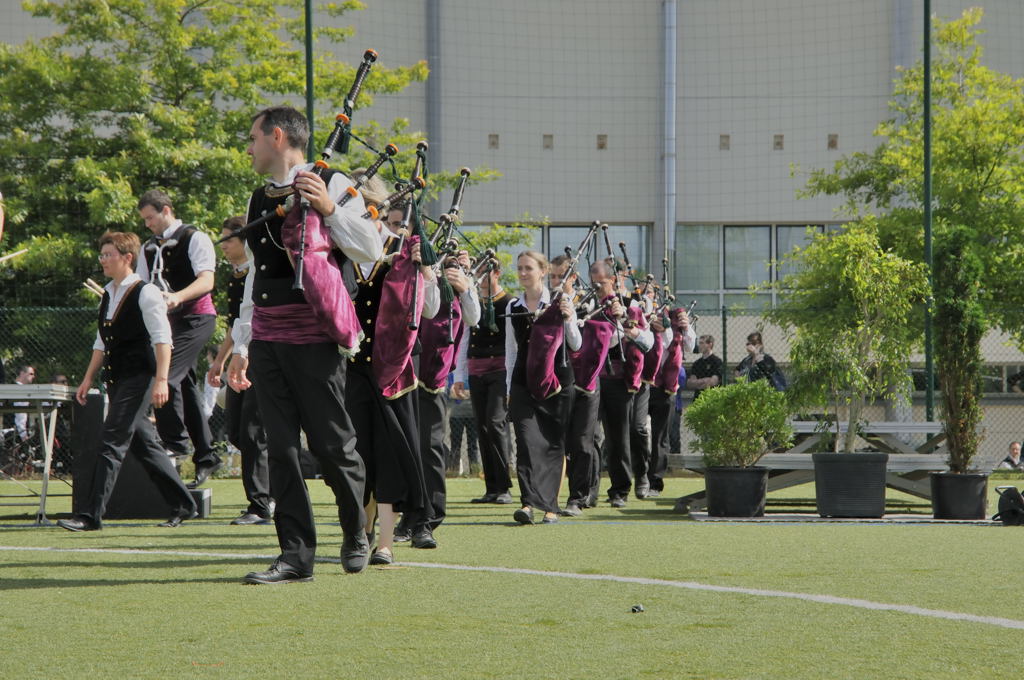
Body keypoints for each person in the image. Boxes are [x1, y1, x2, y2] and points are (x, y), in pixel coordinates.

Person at [227, 105, 381, 584]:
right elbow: (256, 275)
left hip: (316, 338)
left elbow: (371, 250)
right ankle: (295, 555)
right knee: (280, 449)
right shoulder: (257, 199)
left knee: (333, 446)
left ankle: (355, 531)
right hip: (268, 339)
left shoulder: (332, 182)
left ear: (276, 137)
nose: (248, 148)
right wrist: (241, 344)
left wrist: (330, 210)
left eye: (253, 138)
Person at [57, 231, 197, 531]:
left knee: (111, 440)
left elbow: (163, 340)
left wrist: (162, 381)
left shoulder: (146, 293)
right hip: (118, 379)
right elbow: (101, 341)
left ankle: (90, 515)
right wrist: (87, 378)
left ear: (127, 257)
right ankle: (184, 504)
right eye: (102, 255)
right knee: (145, 445)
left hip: (140, 377)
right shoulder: (109, 293)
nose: (103, 260)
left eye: (109, 254)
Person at [344, 188, 437, 566]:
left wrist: (424, 270)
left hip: (393, 373)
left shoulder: (402, 253)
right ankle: (360, 531)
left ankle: (385, 542)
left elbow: (430, 310)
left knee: (389, 455)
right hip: (351, 370)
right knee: (356, 456)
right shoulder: (344, 251)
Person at [135, 189, 222, 488]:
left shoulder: (195, 238)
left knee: (165, 376)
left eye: (150, 218)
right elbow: (142, 286)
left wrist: (177, 297)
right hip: (167, 324)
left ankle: (175, 443)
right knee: (186, 386)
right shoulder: (148, 248)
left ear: (166, 210)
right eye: (144, 220)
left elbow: (207, 280)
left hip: (197, 318)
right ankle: (206, 455)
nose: (147, 224)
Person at [505, 251, 582, 525]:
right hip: (522, 382)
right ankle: (527, 503)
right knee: (525, 441)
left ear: (542, 271)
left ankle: (550, 506)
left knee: (553, 443)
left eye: (528, 268)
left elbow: (576, 344)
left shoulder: (561, 301)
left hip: (556, 383)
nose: (523, 273)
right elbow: (511, 351)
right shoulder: (513, 305)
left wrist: (569, 318)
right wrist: (508, 388)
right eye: (520, 268)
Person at [207, 216, 272, 526]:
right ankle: (271, 491)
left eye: (228, 239)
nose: (223, 245)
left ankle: (261, 504)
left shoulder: (259, 271)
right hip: (240, 356)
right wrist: (220, 360)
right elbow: (237, 324)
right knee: (236, 430)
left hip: (261, 355)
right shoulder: (236, 277)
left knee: (253, 430)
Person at [417, 248, 479, 547]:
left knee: (430, 447)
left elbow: (474, 317)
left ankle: (428, 518)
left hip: (432, 379)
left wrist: (465, 285)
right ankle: (406, 515)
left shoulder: (457, 287)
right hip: (400, 372)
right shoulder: (411, 273)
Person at [454, 259, 514, 505]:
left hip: (500, 370)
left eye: (484, 272)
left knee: (496, 423)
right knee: (482, 427)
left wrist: (511, 378)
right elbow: (464, 339)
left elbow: (512, 343)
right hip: (476, 371)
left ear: (497, 273)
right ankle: (491, 488)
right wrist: (459, 376)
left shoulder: (509, 302)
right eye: (477, 271)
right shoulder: (473, 303)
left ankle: (504, 486)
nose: (479, 277)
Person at [597, 258, 655, 508]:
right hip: (602, 377)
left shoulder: (633, 304)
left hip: (634, 377)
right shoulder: (591, 305)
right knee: (607, 436)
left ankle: (641, 474)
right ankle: (599, 490)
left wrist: (628, 327)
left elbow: (649, 341)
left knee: (636, 429)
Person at [687, 334, 723, 400]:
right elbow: (690, 383)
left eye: (702, 343)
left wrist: (697, 383)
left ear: (710, 345)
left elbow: (713, 382)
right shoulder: (696, 363)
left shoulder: (717, 362)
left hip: (712, 397)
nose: (699, 346)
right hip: (698, 398)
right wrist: (705, 380)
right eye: (699, 343)